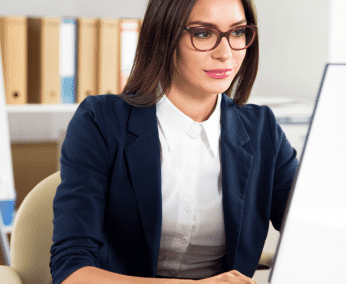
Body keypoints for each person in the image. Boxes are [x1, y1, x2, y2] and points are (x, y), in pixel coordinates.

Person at [50, 0, 299, 283]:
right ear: (165, 37)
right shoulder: (100, 121)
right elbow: (71, 271)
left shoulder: (261, 129)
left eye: (238, 32)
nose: (225, 53)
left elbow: (313, 228)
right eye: (203, 34)